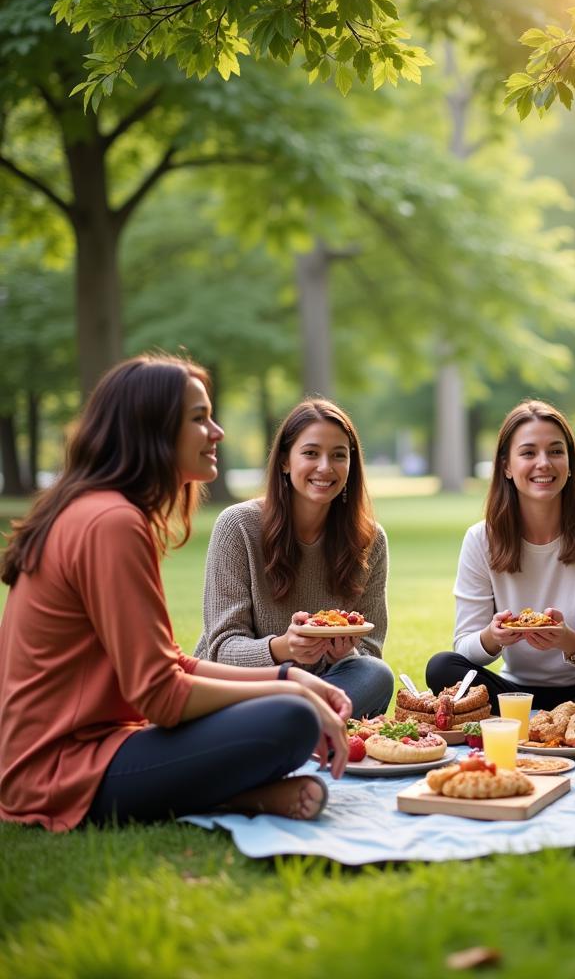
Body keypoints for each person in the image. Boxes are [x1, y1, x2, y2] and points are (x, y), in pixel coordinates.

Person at [0, 356, 350, 831]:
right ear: (152, 428)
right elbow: (161, 696)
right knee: (290, 720)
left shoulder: (104, 511)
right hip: (60, 769)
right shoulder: (111, 523)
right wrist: (286, 688)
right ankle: (236, 795)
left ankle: (241, 792)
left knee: (303, 701)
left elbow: (170, 664)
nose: (217, 431)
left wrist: (293, 676)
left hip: (100, 744)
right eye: (198, 418)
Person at [426, 399, 575, 711]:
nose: (544, 463)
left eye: (555, 451)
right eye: (528, 453)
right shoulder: (481, 538)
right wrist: (493, 636)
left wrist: (569, 641)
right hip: (513, 692)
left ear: (569, 462)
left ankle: (565, 718)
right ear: (507, 466)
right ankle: (555, 720)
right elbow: (465, 646)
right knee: (442, 667)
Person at [195, 399, 393, 719]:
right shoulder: (238, 526)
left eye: (339, 455)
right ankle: (298, 729)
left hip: (321, 689)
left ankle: (295, 729)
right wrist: (283, 648)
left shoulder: (370, 539)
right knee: (293, 712)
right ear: (285, 461)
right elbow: (221, 650)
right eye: (311, 453)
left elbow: (369, 651)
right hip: (244, 691)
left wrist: (346, 652)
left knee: (376, 675)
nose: (325, 467)